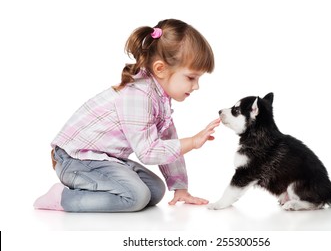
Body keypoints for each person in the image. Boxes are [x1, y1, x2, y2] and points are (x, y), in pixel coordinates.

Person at [33, 19, 220, 212]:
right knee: (136, 196)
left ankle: (100, 189)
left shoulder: (160, 98)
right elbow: (148, 153)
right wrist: (193, 142)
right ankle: (63, 198)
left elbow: (167, 142)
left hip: (104, 158)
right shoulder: (138, 96)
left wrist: (180, 187)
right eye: (191, 77)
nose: (196, 86)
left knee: (155, 190)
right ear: (160, 69)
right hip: (75, 159)